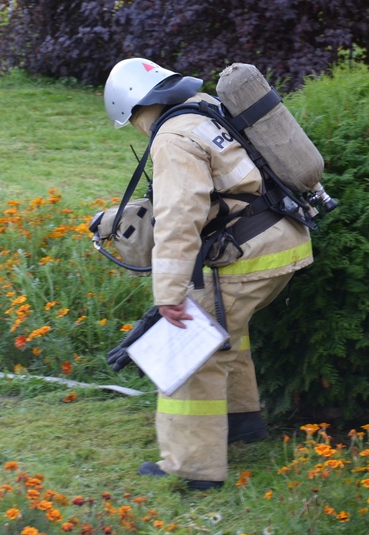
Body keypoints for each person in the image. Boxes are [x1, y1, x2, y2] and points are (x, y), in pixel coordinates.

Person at [103, 58, 314, 490]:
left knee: (189, 351)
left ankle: (192, 467)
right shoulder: (203, 107)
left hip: (250, 254)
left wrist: (169, 292)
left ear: (134, 108)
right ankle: (241, 421)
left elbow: (180, 219)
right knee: (223, 325)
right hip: (281, 239)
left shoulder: (172, 138)